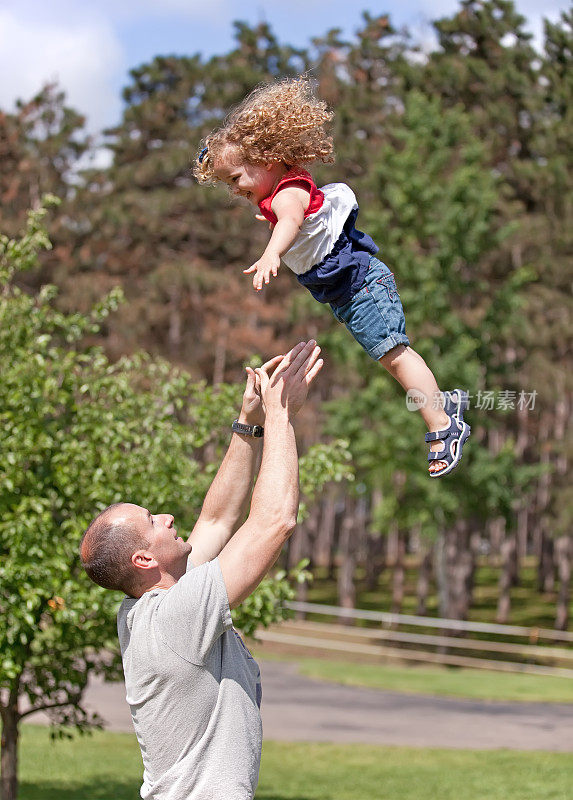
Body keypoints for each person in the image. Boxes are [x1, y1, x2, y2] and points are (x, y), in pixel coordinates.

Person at [80, 340, 323, 800]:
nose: (168, 518)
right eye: (153, 521)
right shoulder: (175, 619)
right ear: (144, 560)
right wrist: (281, 417)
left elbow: (216, 520)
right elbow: (273, 522)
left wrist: (248, 423)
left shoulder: (149, 606)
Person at [193, 78, 470, 478]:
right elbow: (291, 221)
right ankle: (445, 404)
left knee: (395, 354)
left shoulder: (287, 196)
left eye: (235, 178)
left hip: (363, 288)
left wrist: (272, 249)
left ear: (267, 161)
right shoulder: (282, 192)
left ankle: (443, 426)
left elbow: (290, 221)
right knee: (391, 358)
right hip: (353, 295)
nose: (235, 190)